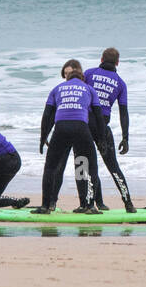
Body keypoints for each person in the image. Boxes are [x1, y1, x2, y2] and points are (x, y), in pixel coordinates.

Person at [35, 59, 106, 214]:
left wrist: (43, 138)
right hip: (81, 128)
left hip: (60, 128)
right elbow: (98, 116)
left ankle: (45, 206)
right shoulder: (88, 89)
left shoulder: (57, 88)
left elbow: (47, 115)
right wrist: (101, 139)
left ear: (67, 78)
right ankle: (89, 206)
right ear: (81, 78)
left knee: (50, 167)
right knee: (89, 166)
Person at [83, 47, 136, 213]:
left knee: (86, 164)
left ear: (101, 59)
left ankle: (91, 203)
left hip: (84, 125)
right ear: (117, 62)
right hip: (102, 128)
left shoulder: (89, 74)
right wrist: (125, 137)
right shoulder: (120, 83)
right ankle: (128, 204)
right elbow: (123, 113)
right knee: (113, 166)